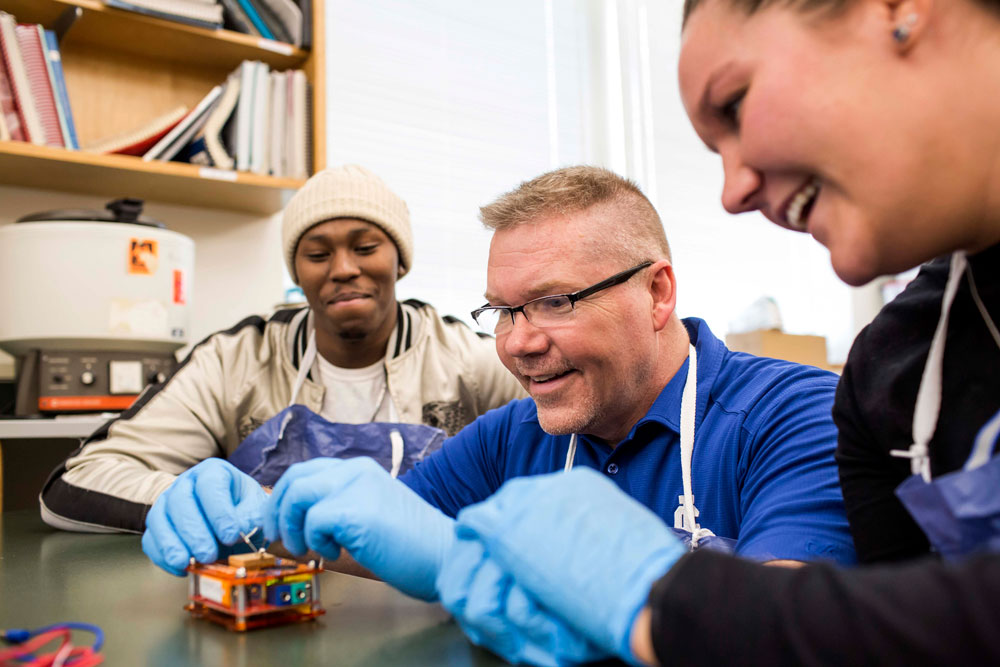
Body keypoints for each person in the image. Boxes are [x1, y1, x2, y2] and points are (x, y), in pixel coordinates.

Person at [420, 0, 1000, 665]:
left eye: (736, 103)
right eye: (503, 311)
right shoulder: (891, 373)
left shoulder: (794, 411)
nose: (732, 191)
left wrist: (663, 602)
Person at [39, 164, 525, 534]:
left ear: (400, 261)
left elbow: (577, 442)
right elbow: (77, 482)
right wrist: (231, 504)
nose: (342, 269)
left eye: (365, 247)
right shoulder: (235, 361)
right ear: (296, 274)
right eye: (317, 254)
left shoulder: (470, 360)